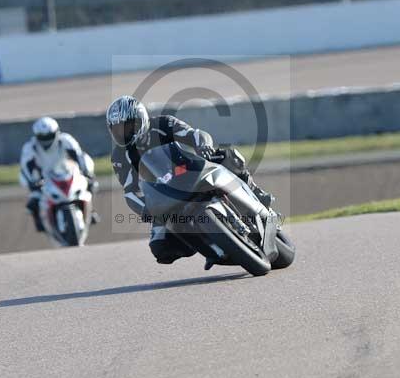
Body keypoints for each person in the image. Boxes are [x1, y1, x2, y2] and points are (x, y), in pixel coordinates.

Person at [106, 95, 274, 265]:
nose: (123, 133)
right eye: (117, 129)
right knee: (161, 248)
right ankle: (210, 246)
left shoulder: (163, 124)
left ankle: (255, 191)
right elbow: (130, 191)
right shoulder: (119, 156)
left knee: (225, 156)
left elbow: (195, 134)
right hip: (165, 194)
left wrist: (203, 145)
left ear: (140, 120)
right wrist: (145, 209)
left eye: (127, 127)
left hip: (189, 170)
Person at [19, 116, 98, 232]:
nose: (46, 140)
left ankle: (90, 211)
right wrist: (32, 182)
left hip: (64, 172)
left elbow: (79, 155)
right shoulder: (30, 147)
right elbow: (25, 167)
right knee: (33, 201)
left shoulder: (66, 140)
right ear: (36, 136)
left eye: (49, 136)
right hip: (44, 178)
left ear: (56, 132)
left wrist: (86, 172)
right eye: (42, 137)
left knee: (90, 184)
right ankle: (39, 222)